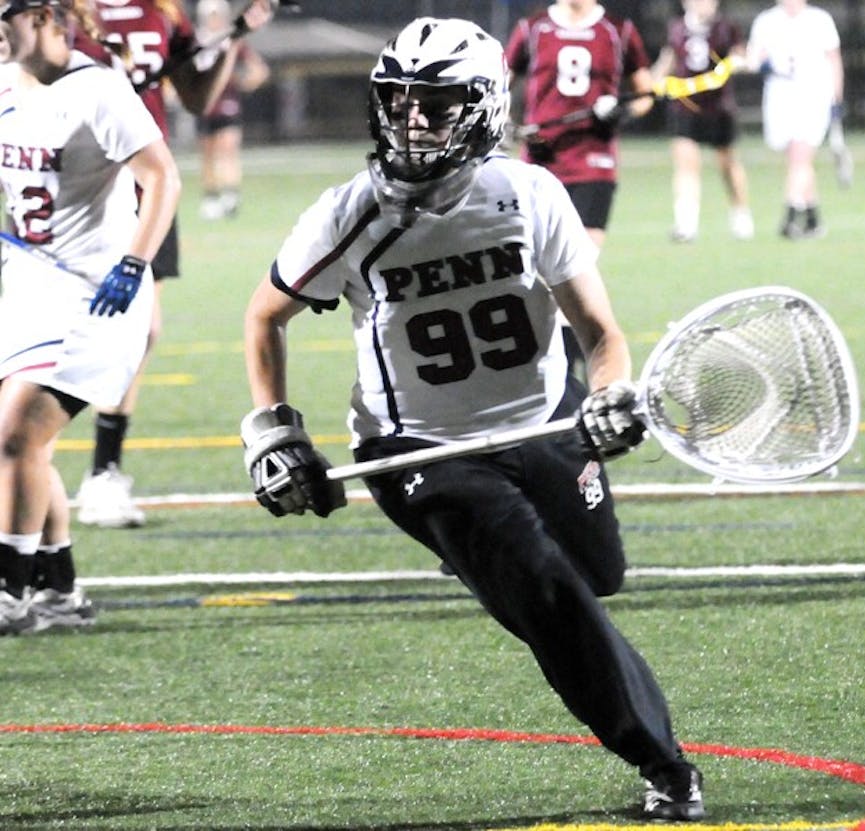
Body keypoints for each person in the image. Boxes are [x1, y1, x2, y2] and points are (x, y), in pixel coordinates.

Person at [240, 17, 704, 821]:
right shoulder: (349, 213)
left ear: (483, 107)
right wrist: (274, 429)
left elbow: (600, 332)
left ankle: (486, 551)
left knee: (599, 575)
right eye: (401, 101)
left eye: (437, 104)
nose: (412, 120)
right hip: (419, 448)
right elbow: (264, 315)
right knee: (550, 591)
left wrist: (607, 394)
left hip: (542, 421)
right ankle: (664, 762)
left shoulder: (527, 193)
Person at [0, 0, 181, 634]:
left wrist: (134, 266)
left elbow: (162, 180)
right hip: (27, 286)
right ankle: (59, 591)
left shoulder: (98, 89)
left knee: (17, 433)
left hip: (95, 292)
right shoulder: (3, 83)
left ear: (46, 16)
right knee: (24, 444)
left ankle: (10, 589)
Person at [74, 0, 274, 527]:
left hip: (146, 184)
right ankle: (37, 456)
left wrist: (233, 36)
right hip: (78, 188)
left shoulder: (162, 11)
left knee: (141, 329)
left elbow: (197, 97)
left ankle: (103, 473)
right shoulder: (59, 12)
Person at [505, 0, 654, 379]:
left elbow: (645, 93)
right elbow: (497, 84)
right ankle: (546, 366)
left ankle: (568, 371)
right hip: (539, 168)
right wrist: (508, 125)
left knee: (578, 267)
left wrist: (621, 110)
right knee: (537, 272)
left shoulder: (618, 31)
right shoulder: (533, 28)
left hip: (594, 164)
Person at [650, 0, 753, 242]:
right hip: (684, 106)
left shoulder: (726, 28)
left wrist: (739, 60)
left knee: (728, 165)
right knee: (687, 164)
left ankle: (741, 215)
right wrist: (653, 82)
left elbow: (741, 54)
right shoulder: (676, 27)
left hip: (718, 107)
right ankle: (686, 224)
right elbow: (669, 58)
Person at [745, 0, 843, 239]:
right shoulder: (766, 21)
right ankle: (813, 219)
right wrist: (762, 62)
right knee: (796, 159)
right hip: (779, 97)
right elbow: (753, 59)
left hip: (813, 96)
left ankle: (790, 216)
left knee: (800, 154)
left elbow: (834, 60)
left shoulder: (820, 20)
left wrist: (836, 99)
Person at [195, 0, 270, 221]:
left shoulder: (231, 40)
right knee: (208, 154)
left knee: (228, 149)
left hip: (227, 105)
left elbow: (259, 70)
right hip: (204, 105)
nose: (214, 19)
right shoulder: (195, 41)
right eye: (211, 15)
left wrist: (244, 82)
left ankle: (230, 197)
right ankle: (211, 198)